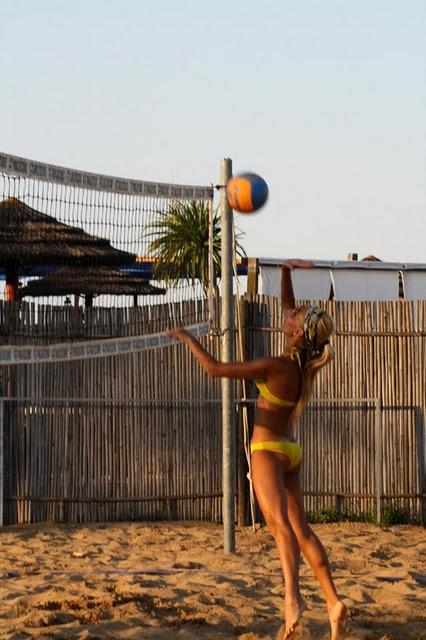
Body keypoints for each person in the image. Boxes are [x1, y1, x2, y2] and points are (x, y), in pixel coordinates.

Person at [168, 259, 347, 640]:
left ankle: (293, 599)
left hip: (266, 448)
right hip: (291, 452)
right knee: (302, 530)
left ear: (298, 330)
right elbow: (288, 307)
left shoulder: (275, 365)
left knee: (279, 526)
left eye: (294, 314)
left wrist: (187, 338)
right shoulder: (302, 366)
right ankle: (333, 601)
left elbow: (215, 369)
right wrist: (285, 273)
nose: (288, 313)